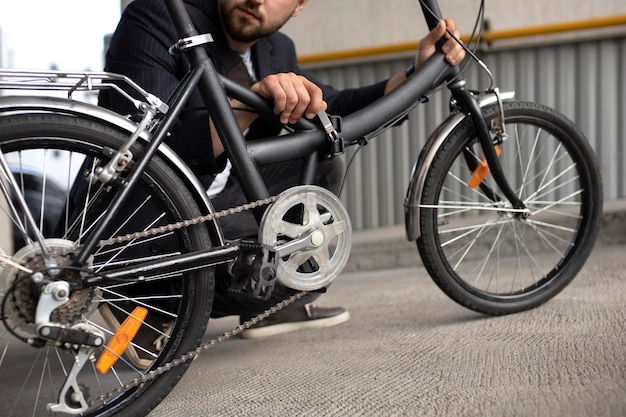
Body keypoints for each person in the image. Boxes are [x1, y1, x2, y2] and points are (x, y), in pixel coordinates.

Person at [99, 0, 465, 340]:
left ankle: (269, 305)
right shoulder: (156, 18)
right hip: (147, 220)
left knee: (319, 161)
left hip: (216, 210)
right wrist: (247, 104)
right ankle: (139, 299)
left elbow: (335, 110)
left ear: (300, 4)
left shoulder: (275, 49)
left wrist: (414, 73)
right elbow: (145, 151)